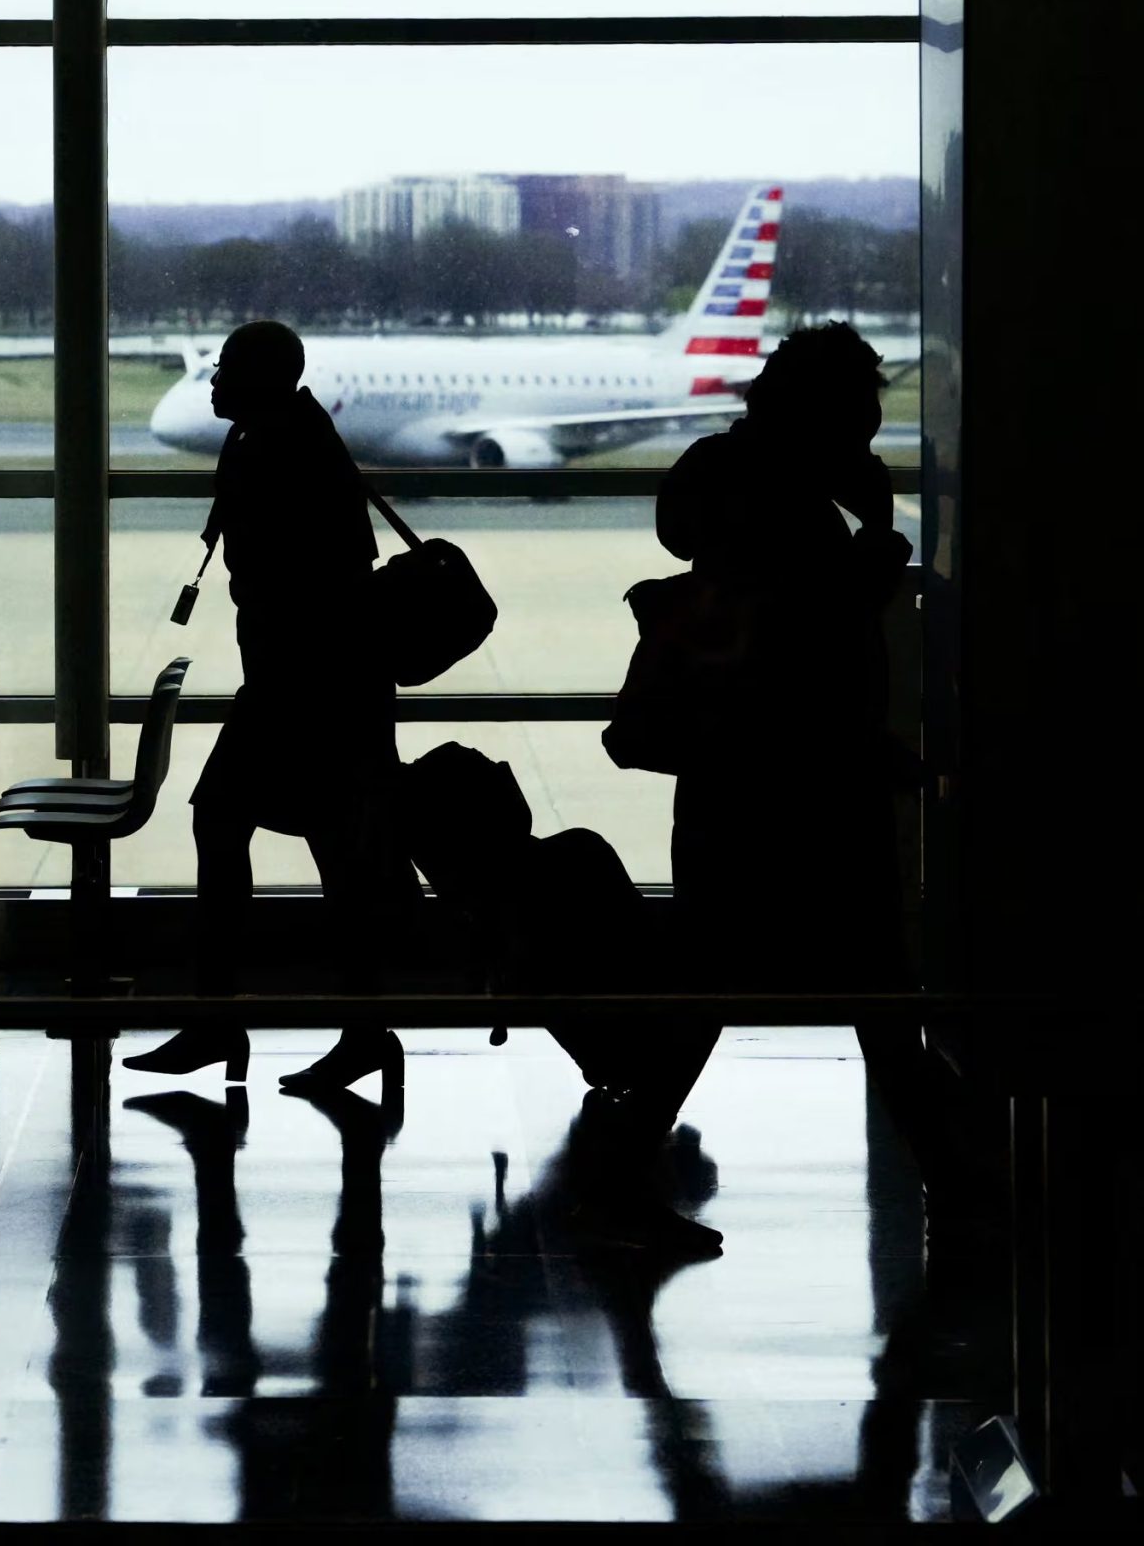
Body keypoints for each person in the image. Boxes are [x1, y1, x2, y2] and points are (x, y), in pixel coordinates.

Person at [652, 323, 970, 1200]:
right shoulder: (795, 505)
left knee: (708, 976)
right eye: (861, 415)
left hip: (727, 773)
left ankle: (618, 1173)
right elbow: (819, 624)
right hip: (814, 778)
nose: (871, 431)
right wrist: (880, 533)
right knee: (878, 981)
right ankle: (954, 1178)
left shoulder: (715, 472)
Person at [123, 322, 416, 1091]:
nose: (213, 381)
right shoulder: (283, 433)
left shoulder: (282, 447)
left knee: (250, 828)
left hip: (308, 686)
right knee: (309, 844)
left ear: (260, 377)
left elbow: (309, 577)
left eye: (226, 369)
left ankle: (242, 1020)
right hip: (312, 682)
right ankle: (342, 1027)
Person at [399, 741, 722, 1252]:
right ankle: (618, 1195)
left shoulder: (497, 917)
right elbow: (647, 954)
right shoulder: (574, 858)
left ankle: (620, 1179)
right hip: (635, 1031)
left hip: (606, 1039)